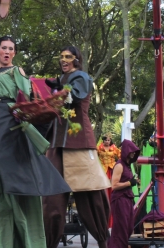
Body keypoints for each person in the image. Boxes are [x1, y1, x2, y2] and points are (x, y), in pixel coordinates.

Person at [0, 36, 70, 248]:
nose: (7, 51)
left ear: (14, 53)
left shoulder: (17, 71)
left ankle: (26, 239)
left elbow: (25, 97)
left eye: (11, 49)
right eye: (3, 48)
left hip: (8, 125)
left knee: (14, 179)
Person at [42, 46, 110, 248]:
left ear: (76, 59)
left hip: (79, 144)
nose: (64, 60)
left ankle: (103, 242)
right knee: (51, 201)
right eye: (61, 56)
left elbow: (74, 96)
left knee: (92, 197)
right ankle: (49, 243)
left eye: (68, 57)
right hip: (56, 145)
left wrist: (56, 96)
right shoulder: (58, 81)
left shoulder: (81, 78)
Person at [107, 139, 140, 248]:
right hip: (119, 199)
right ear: (127, 151)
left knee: (128, 226)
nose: (134, 153)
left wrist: (133, 182)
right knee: (121, 228)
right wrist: (129, 183)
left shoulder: (127, 166)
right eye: (132, 151)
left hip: (127, 198)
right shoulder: (119, 165)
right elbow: (114, 185)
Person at [97, 134, 120, 228]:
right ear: (103, 141)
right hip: (103, 170)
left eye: (109, 140)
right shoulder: (98, 148)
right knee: (104, 190)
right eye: (106, 140)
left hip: (112, 169)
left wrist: (119, 165)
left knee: (113, 189)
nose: (107, 141)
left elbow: (121, 155)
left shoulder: (114, 148)